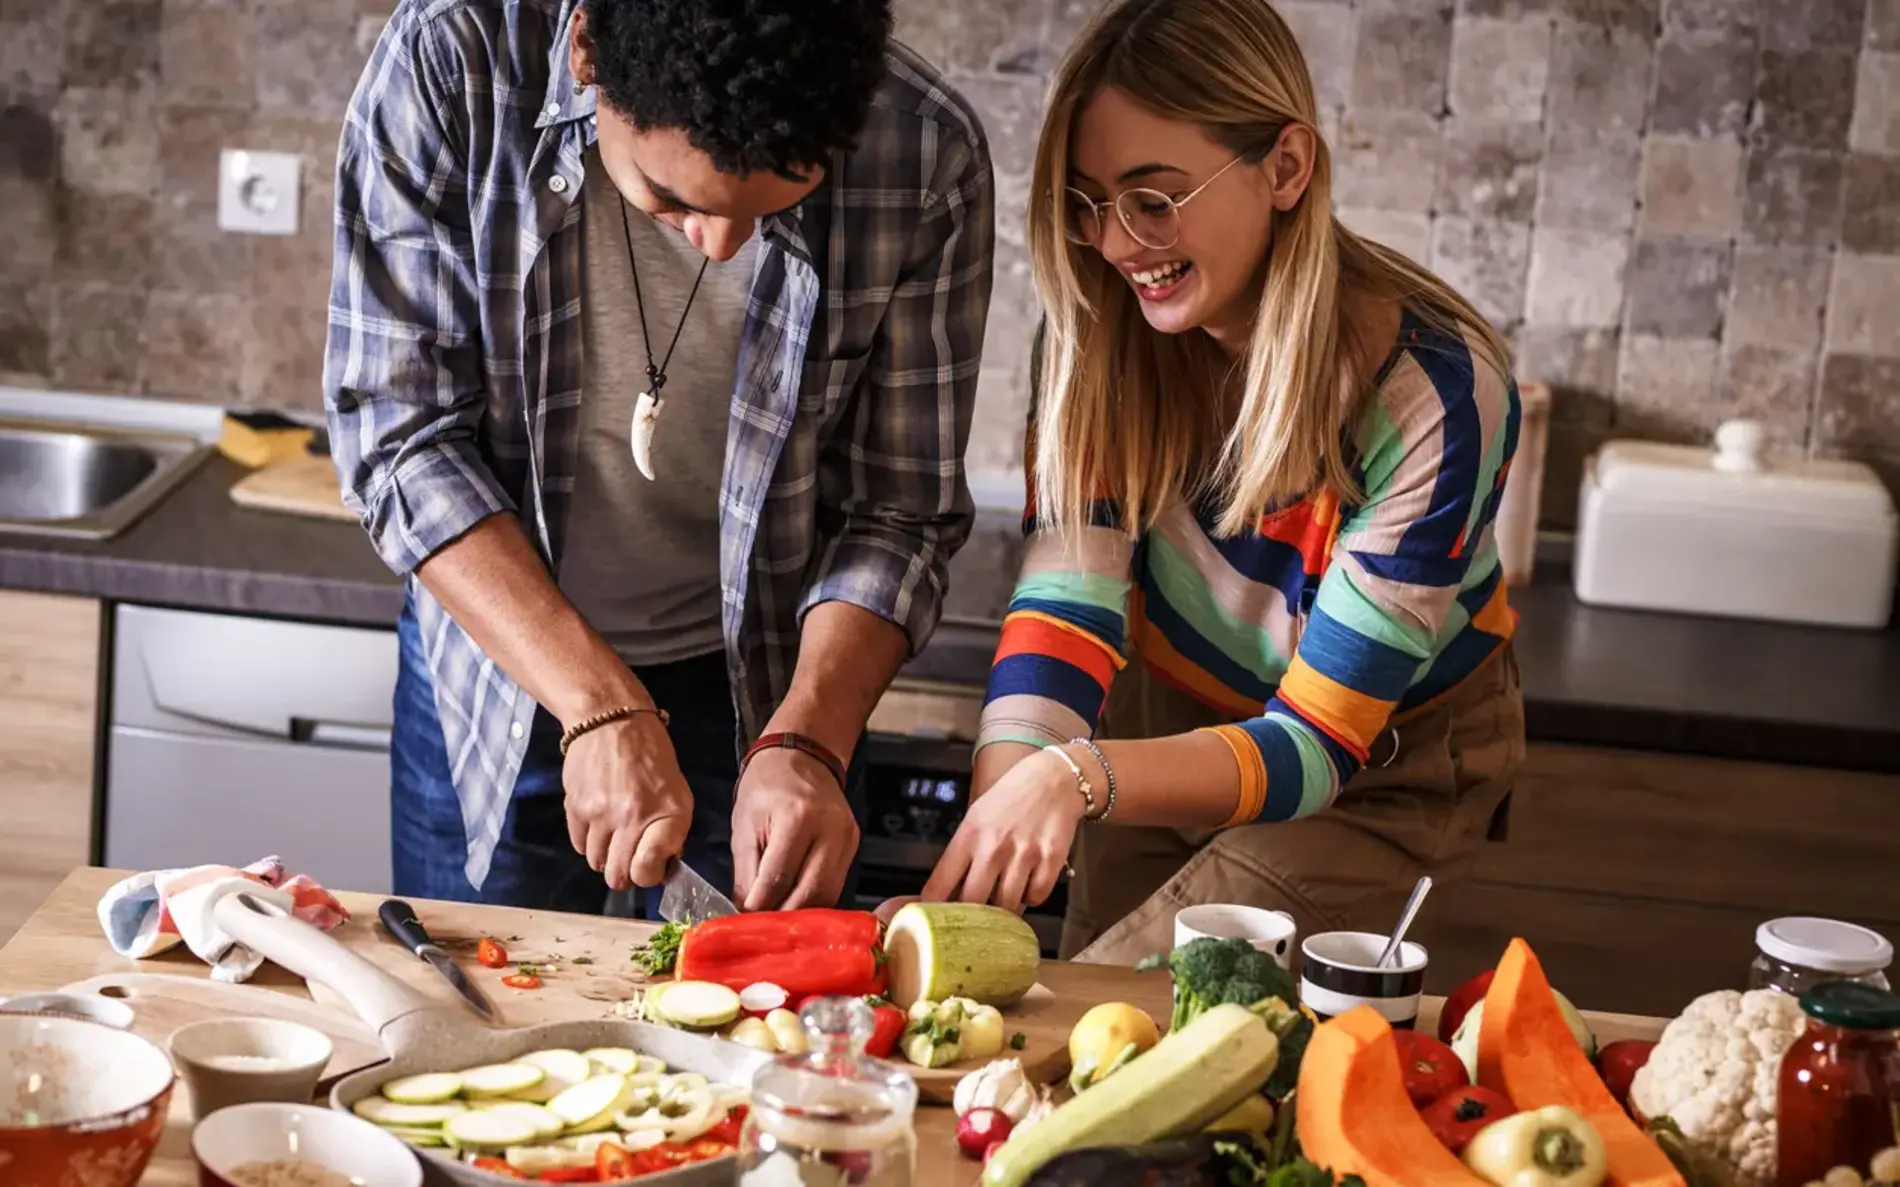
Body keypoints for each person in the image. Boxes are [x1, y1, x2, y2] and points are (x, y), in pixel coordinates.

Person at [324, 0, 993, 916]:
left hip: (769, 686)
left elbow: (898, 512)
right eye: (672, 199)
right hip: (501, 672)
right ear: (587, 49)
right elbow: (402, 440)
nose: (720, 247)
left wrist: (807, 744)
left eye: (773, 206)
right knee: (476, 1008)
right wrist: (598, 703)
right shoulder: (454, 61)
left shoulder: (924, 152)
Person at [921, 0, 1526, 964]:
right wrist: (998, 824)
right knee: (1071, 1002)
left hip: (1374, 762)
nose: (1117, 245)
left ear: (1285, 168)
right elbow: (1067, 604)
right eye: (1087, 202)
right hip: (1157, 713)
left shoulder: (1436, 393)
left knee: (1139, 993)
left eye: (1152, 198)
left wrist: (1070, 779)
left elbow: (1317, 744)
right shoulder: (1092, 334)